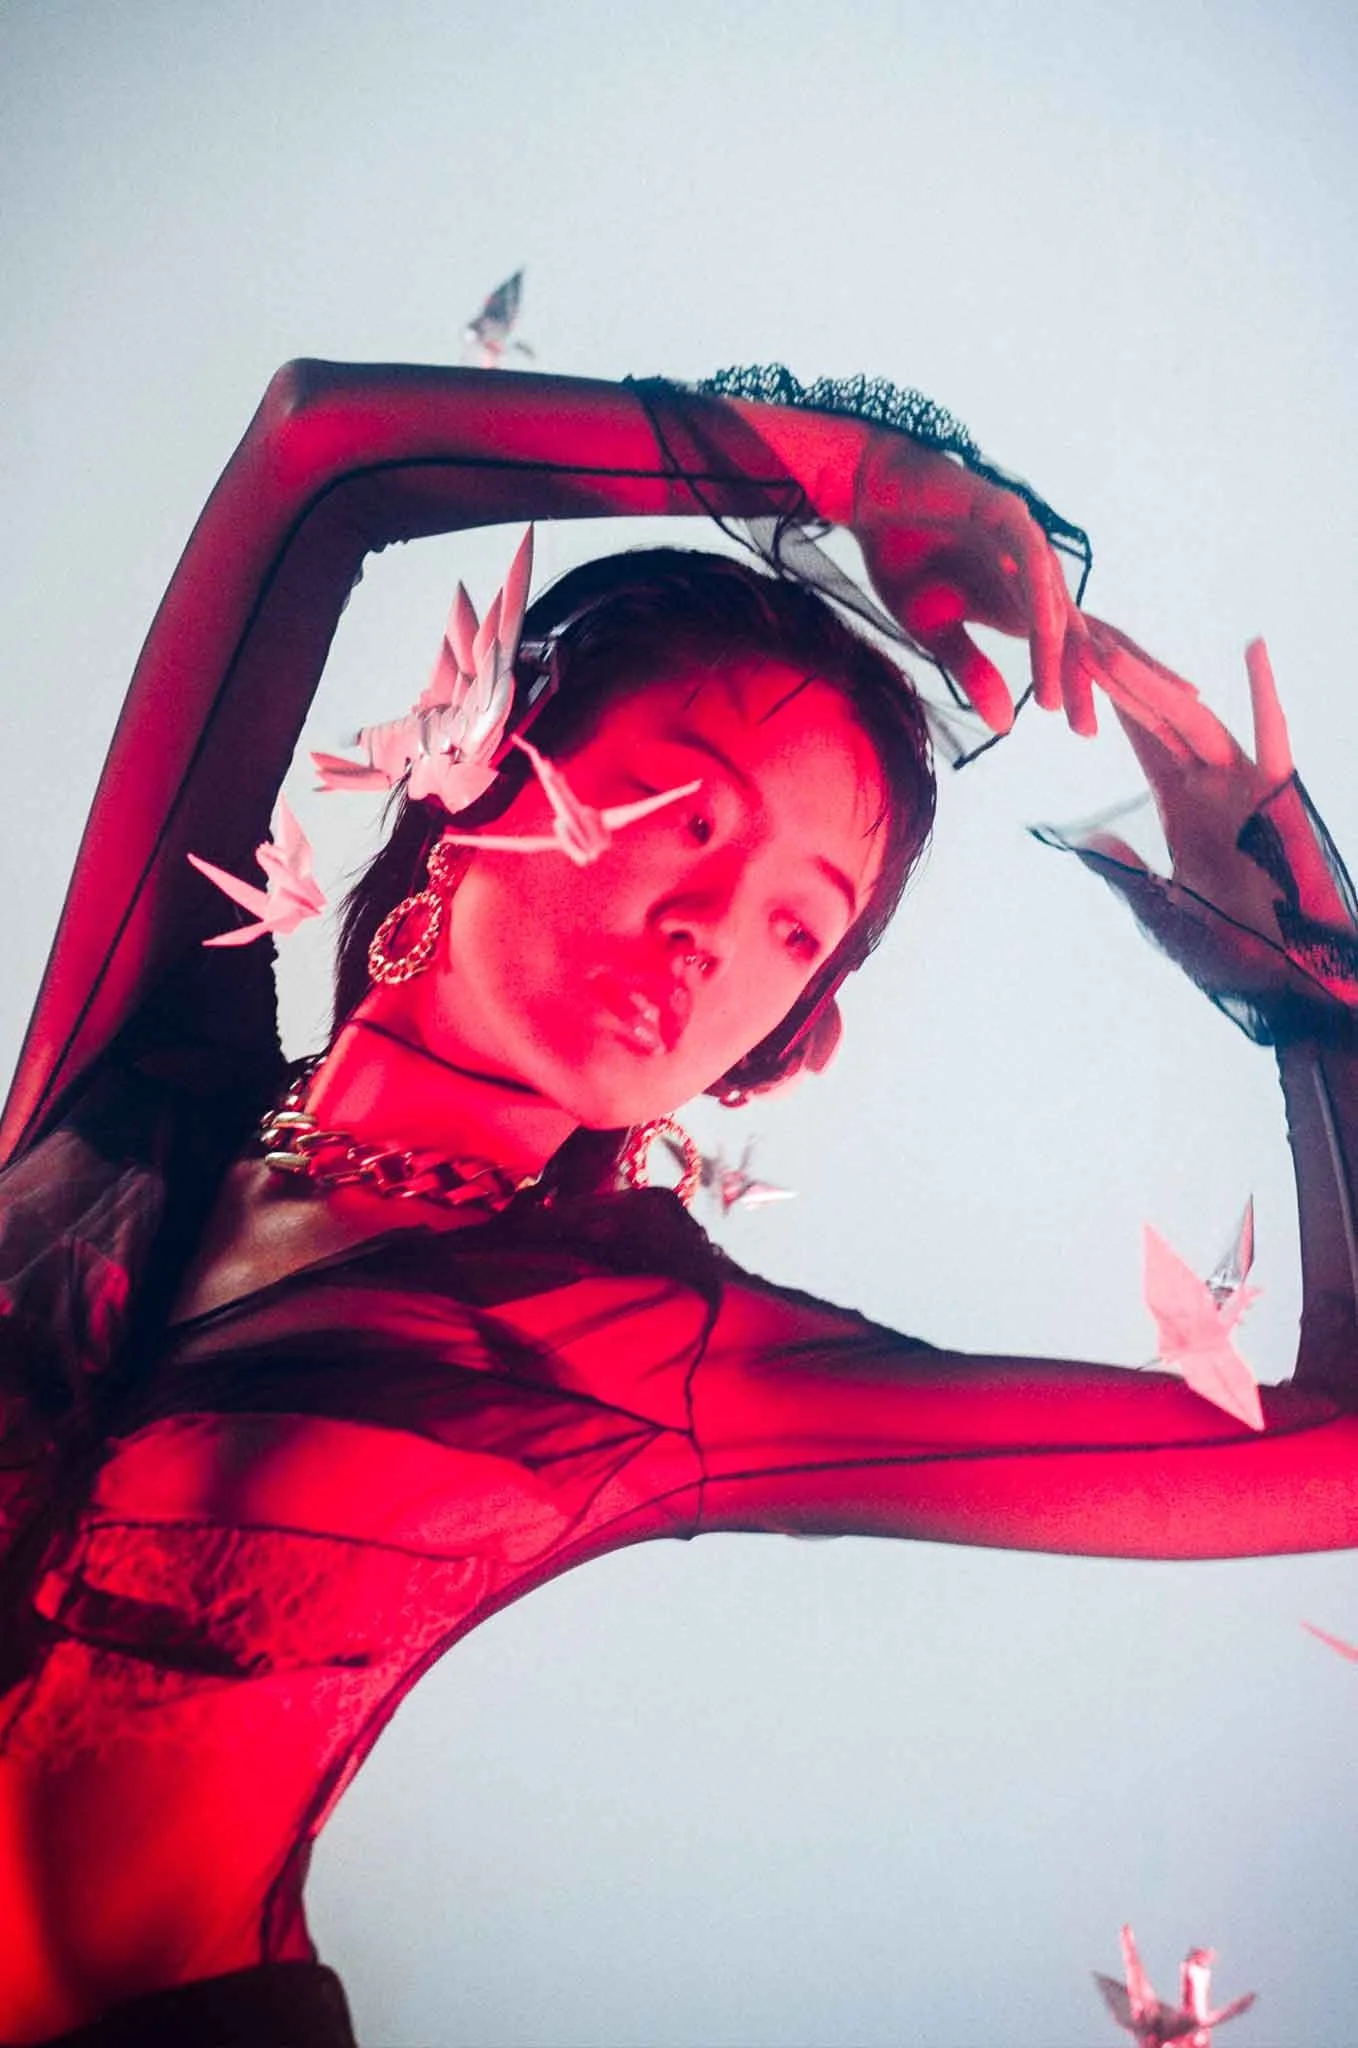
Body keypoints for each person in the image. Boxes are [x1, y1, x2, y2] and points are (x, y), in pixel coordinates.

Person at [1, 360, 1355, 2048]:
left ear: (786, 1034)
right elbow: (319, 456)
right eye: (685, 812)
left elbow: (1334, 1462)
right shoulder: (130, 1074)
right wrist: (839, 478)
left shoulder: (648, 1355)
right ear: (483, 764)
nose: (716, 930)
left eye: (799, 923)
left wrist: (1303, 964)